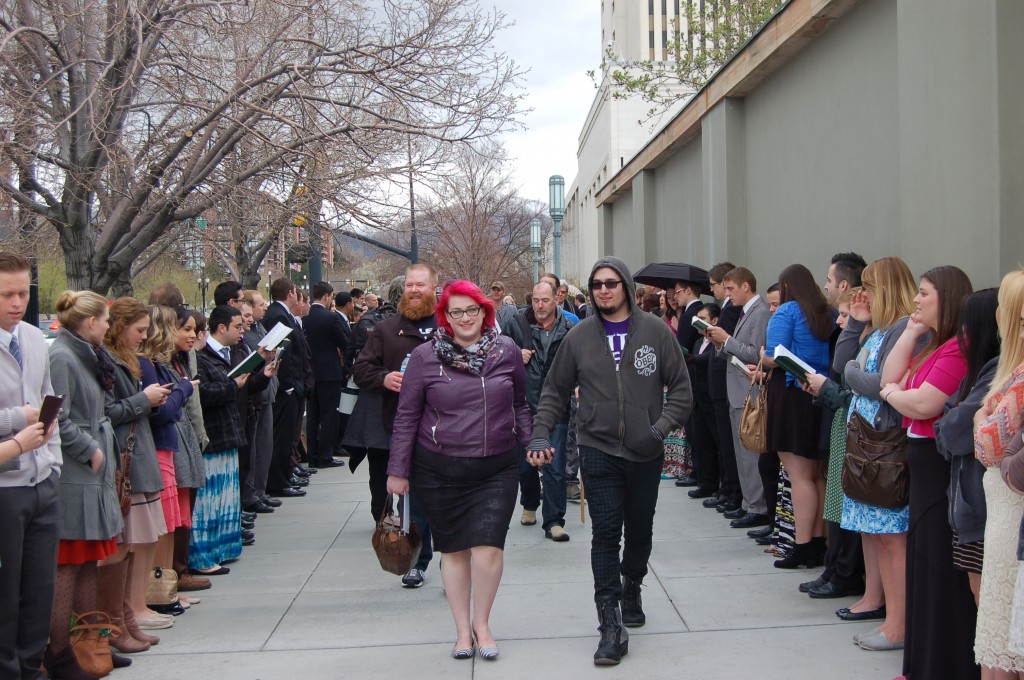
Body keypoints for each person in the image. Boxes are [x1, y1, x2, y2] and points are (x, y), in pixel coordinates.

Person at [526, 256, 692, 666]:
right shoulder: (579, 337)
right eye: (597, 284)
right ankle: (609, 623)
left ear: (626, 288)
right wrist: (540, 432)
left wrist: (657, 429)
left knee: (639, 531)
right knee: (605, 533)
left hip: (645, 451)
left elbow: (683, 394)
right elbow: (554, 390)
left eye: (611, 283)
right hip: (598, 449)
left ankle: (632, 582)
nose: (603, 290)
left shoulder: (655, 332)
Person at [387, 279, 531, 661]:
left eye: (472, 310)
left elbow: (520, 403)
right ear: (445, 317)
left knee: (488, 550)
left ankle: (482, 624)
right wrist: (397, 470)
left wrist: (532, 442)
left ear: (485, 312)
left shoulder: (507, 350)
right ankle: (460, 631)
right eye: (456, 312)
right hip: (438, 468)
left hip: (496, 468)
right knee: (453, 551)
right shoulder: (424, 356)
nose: (465, 318)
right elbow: (406, 416)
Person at [881, 265, 975, 674]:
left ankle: (941, 664)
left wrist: (894, 394)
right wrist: (909, 334)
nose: (916, 301)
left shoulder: (958, 347)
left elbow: (924, 404)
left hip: (937, 467)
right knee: (922, 560)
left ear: (948, 299)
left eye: (924, 294)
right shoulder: (933, 344)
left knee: (937, 564)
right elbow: (889, 379)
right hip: (919, 463)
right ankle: (921, 663)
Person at [353, 264, 439, 588]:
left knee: (448, 500)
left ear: (434, 289)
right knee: (414, 500)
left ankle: (455, 563)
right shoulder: (387, 330)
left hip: (450, 429)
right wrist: (384, 377)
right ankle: (418, 561)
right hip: (405, 428)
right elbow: (361, 369)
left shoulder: (449, 326)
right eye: (409, 286)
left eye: (421, 285)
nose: (414, 291)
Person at [0, 252, 64, 680]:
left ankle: (30, 666)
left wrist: (51, 459)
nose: (17, 301)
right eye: (7, 294)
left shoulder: (32, 339)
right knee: (7, 591)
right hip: (6, 485)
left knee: (40, 587)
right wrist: (18, 423)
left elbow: (48, 404)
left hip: (41, 477)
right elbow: (25, 412)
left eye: (23, 292)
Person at [104, 298, 173, 636]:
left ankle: (135, 606)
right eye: (139, 330)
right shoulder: (111, 361)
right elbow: (107, 412)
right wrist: (144, 399)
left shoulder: (126, 360)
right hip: (126, 456)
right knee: (130, 541)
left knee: (144, 538)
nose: (144, 337)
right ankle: (128, 609)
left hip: (138, 452)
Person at [759, 265, 836, 568]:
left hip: (791, 395)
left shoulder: (788, 311)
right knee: (816, 474)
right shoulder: (827, 311)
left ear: (787, 287)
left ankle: (802, 545)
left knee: (798, 476)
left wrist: (763, 356)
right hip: (820, 394)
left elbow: (774, 357)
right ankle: (817, 541)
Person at [972, 270, 1024, 677]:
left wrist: (978, 420)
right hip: (1002, 516)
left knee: (1004, 641)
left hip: (1012, 516)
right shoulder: (1013, 371)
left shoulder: (1020, 379)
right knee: (1000, 638)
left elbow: (988, 446)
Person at [934, 290, 1000, 607]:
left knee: (987, 600)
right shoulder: (977, 372)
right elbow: (944, 427)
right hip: (968, 509)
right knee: (979, 596)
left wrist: (955, 422)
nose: (961, 334)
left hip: (982, 509)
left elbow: (955, 431)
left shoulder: (998, 372)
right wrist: (954, 422)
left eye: (966, 326)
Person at [503, 280, 574, 541]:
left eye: (545, 300)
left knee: (554, 464)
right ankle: (530, 504)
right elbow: (496, 355)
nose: (540, 305)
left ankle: (554, 520)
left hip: (557, 404)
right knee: (525, 464)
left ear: (557, 299)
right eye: (535, 300)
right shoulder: (517, 324)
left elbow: (580, 362)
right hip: (524, 404)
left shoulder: (569, 327)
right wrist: (513, 355)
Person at [139, 306, 198, 604]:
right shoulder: (148, 365)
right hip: (160, 445)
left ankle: (166, 588)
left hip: (170, 444)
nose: (185, 334)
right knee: (162, 524)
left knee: (172, 522)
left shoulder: (166, 363)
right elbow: (161, 410)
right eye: (179, 327)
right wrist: (183, 390)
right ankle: (157, 592)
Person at [707, 267, 772, 529]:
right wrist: (719, 342)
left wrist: (727, 340)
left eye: (731, 289)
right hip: (737, 391)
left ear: (746, 286)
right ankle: (749, 503)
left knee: (750, 454)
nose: (728, 295)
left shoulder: (760, 313)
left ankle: (757, 506)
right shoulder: (749, 312)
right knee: (741, 453)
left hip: (748, 391)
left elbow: (755, 353)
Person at [344, 276, 403, 520]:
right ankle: (384, 515)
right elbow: (360, 367)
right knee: (381, 465)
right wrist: (385, 378)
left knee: (382, 466)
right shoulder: (377, 325)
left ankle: (389, 516)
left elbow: (353, 360)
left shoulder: (371, 320)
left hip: (386, 411)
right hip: (380, 408)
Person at [167, 306, 214, 594]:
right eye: (186, 329)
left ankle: (177, 572)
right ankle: (171, 575)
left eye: (195, 330)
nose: (193, 335)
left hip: (189, 435)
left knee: (184, 511)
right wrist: (182, 389)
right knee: (174, 515)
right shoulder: (162, 364)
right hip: (174, 440)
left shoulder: (184, 359)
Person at [304, 282, 349, 469]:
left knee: (313, 415)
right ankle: (325, 455)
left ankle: (312, 454)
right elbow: (345, 342)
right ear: (327, 296)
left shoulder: (304, 319)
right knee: (330, 415)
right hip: (329, 372)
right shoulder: (330, 319)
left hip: (310, 373)